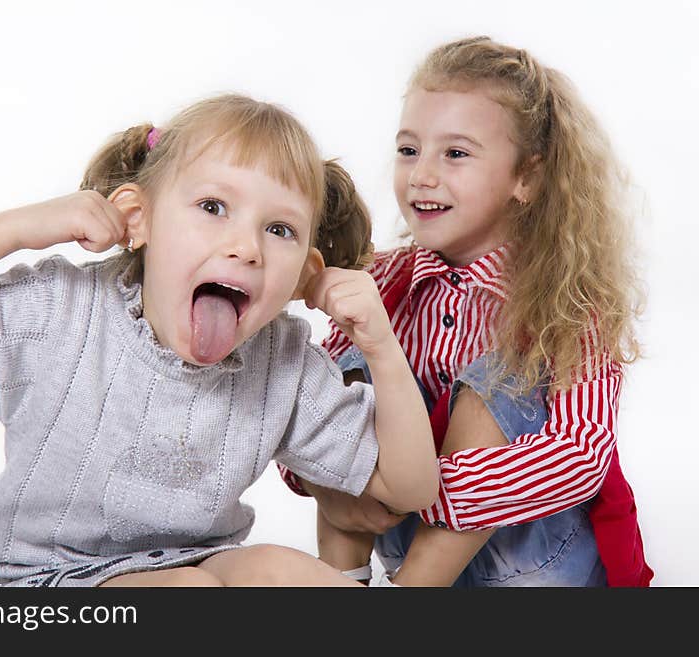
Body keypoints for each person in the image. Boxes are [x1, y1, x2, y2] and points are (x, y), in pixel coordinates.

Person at [0, 94, 438, 587]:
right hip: (41, 583)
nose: (246, 248)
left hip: (195, 567)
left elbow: (408, 487)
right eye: (213, 206)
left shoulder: (282, 359)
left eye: (279, 229)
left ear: (306, 269)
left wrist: (381, 348)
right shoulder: (62, 310)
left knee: (281, 569)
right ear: (138, 219)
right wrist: (13, 229)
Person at [278, 36, 653, 587]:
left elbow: (583, 454)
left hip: (534, 561)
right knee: (347, 373)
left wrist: (422, 485)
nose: (422, 175)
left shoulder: (566, 299)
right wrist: (329, 481)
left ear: (525, 177)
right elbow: (303, 404)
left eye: (455, 153)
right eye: (410, 150)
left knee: (499, 382)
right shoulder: (386, 281)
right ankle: (341, 585)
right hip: (399, 525)